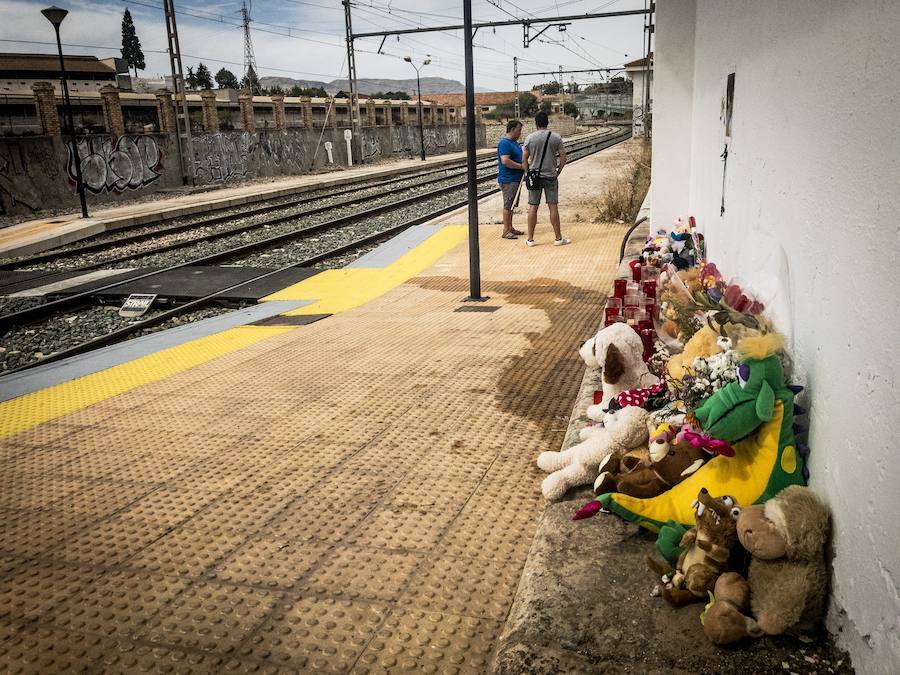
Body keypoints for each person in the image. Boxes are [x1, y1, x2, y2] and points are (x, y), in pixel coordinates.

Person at [521, 111, 570, 247]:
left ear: (535, 123)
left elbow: (524, 158)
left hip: (535, 177)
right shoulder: (556, 137)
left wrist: (527, 173)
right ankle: (558, 238)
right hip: (550, 176)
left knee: (533, 207)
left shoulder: (530, 138)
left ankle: (530, 240)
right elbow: (563, 157)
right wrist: (558, 171)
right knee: (553, 206)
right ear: (547, 122)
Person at [497, 119, 525, 239]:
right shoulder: (505, 143)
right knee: (508, 205)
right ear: (512, 130)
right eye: (519, 130)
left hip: (515, 179)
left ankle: (510, 227)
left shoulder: (515, 143)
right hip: (509, 179)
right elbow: (505, 161)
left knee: (512, 205)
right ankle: (505, 230)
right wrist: (521, 166)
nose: (520, 133)